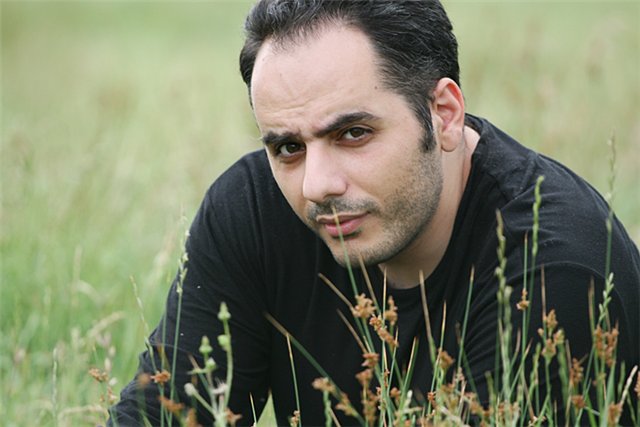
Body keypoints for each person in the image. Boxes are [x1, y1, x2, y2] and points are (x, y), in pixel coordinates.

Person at [109, 1, 640, 425]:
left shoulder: (554, 274)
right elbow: (162, 415)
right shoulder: (253, 211)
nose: (317, 185)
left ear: (444, 116)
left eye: (353, 133)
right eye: (288, 147)